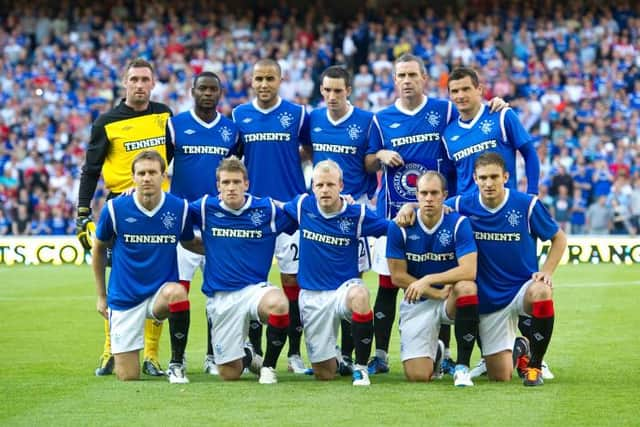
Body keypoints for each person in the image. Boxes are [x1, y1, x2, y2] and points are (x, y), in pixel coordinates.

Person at [366, 53, 506, 375]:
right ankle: (381, 354)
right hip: (397, 216)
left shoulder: (443, 110)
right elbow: (368, 161)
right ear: (394, 80)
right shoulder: (381, 119)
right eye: (401, 75)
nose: (406, 80)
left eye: (412, 74)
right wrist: (380, 155)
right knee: (388, 285)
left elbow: (474, 115)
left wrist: (497, 104)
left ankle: (444, 351)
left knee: (446, 277)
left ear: (425, 78)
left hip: (439, 212)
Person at [442, 66, 546, 377]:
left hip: (509, 214)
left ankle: (535, 351)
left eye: (465, 89)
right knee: (477, 283)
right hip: (471, 218)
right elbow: (452, 176)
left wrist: (533, 193)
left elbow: (529, 152)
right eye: (454, 91)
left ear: (479, 89)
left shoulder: (501, 116)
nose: (460, 96)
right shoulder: (449, 133)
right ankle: (491, 354)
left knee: (522, 277)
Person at [76, 58, 173, 377]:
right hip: (121, 206)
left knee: (160, 280)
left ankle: (153, 355)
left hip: (159, 206)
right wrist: (82, 211)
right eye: (134, 79)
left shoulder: (164, 115)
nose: (140, 85)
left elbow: (172, 159)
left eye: (145, 79)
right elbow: (90, 169)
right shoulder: (106, 121)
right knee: (119, 278)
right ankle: (110, 351)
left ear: (153, 83)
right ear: (125, 83)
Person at [447, 152, 566, 386]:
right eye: (483, 178)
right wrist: (409, 208)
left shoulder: (526, 204)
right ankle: (521, 347)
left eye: (494, 177)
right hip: (487, 296)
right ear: (475, 178)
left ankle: (535, 367)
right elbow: (431, 207)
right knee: (499, 376)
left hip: (521, 289)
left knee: (542, 291)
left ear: (505, 176)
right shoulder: (462, 204)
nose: (488, 183)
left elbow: (559, 238)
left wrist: (547, 272)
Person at [92, 151, 201, 383]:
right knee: (128, 376)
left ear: (163, 176)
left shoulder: (179, 208)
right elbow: (99, 249)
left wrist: (229, 249)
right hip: (125, 297)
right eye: (141, 173)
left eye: (152, 172)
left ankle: (176, 363)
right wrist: (102, 296)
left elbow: (190, 242)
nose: (146, 178)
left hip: (159, 295)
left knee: (178, 292)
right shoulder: (115, 209)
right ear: (133, 177)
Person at [232, 58, 312, 374]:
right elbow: (234, 160)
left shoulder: (297, 115)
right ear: (251, 81)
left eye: (269, 78)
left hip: (290, 211)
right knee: (253, 283)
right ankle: (253, 348)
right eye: (258, 78)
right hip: (254, 215)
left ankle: (293, 352)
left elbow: (310, 150)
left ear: (280, 80)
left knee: (292, 282)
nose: (264, 84)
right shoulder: (239, 116)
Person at [281, 160, 389, 386]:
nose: (324, 190)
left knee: (360, 295)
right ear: (312, 186)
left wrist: (412, 210)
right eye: (319, 185)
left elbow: (391, 227)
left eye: (330, 184)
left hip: (343, 290)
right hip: (312, 296)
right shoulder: (302, 206)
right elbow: (273, 207)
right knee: (325, 374)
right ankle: (337, 360)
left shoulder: (356, 214)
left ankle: (360, 368)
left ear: (341, 185)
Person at [188, 157, 295, 384]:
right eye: (225, 182)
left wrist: (342, 201)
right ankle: (247, 355)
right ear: (218, 185)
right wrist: (134, 193)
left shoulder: (267, 209)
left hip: (255, 291)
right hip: (222, 297)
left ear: (246, 184)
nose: (231, 187)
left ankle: (268, 367)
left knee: (279, 304)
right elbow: (171, 211)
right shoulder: (206, 208)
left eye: (236, 182)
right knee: (230, 374)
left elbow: (305, 211)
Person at [167, 71, 240, 375]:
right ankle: (177, 358)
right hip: (184, 221)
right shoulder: (175, 125)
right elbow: (160, 165)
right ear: (192, 90)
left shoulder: (231, 130)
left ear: (220, 93)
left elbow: (237, 172)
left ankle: (213, 355)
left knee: (217, 295)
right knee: (178, 291)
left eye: (213, 89)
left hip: (217, 225)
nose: (208, 94)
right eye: (202, 89)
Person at [309, 65, 378, 374]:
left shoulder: (366, 121)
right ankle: (324, 351)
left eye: (338, 90)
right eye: (327, 90)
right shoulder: (312, 118)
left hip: (354, 209)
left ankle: (348, 354)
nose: (332, 96)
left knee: (354, 282)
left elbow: (370, 161)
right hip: (321, 208)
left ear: (349, 90)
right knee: (318, 276)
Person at [387, 171, 479, 386]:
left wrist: (427, 279)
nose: (429, 198)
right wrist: (433, 290)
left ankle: (462, 367)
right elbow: (398, 276)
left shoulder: (458, 223)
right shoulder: (399, 226)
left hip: (450, 299)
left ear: (444, 195)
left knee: (467, 287)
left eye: (434, 193)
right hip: (417, 302)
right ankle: (436, 353)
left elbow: (469, 270)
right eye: (424, 193)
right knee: (418, 377)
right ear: (416, 196)